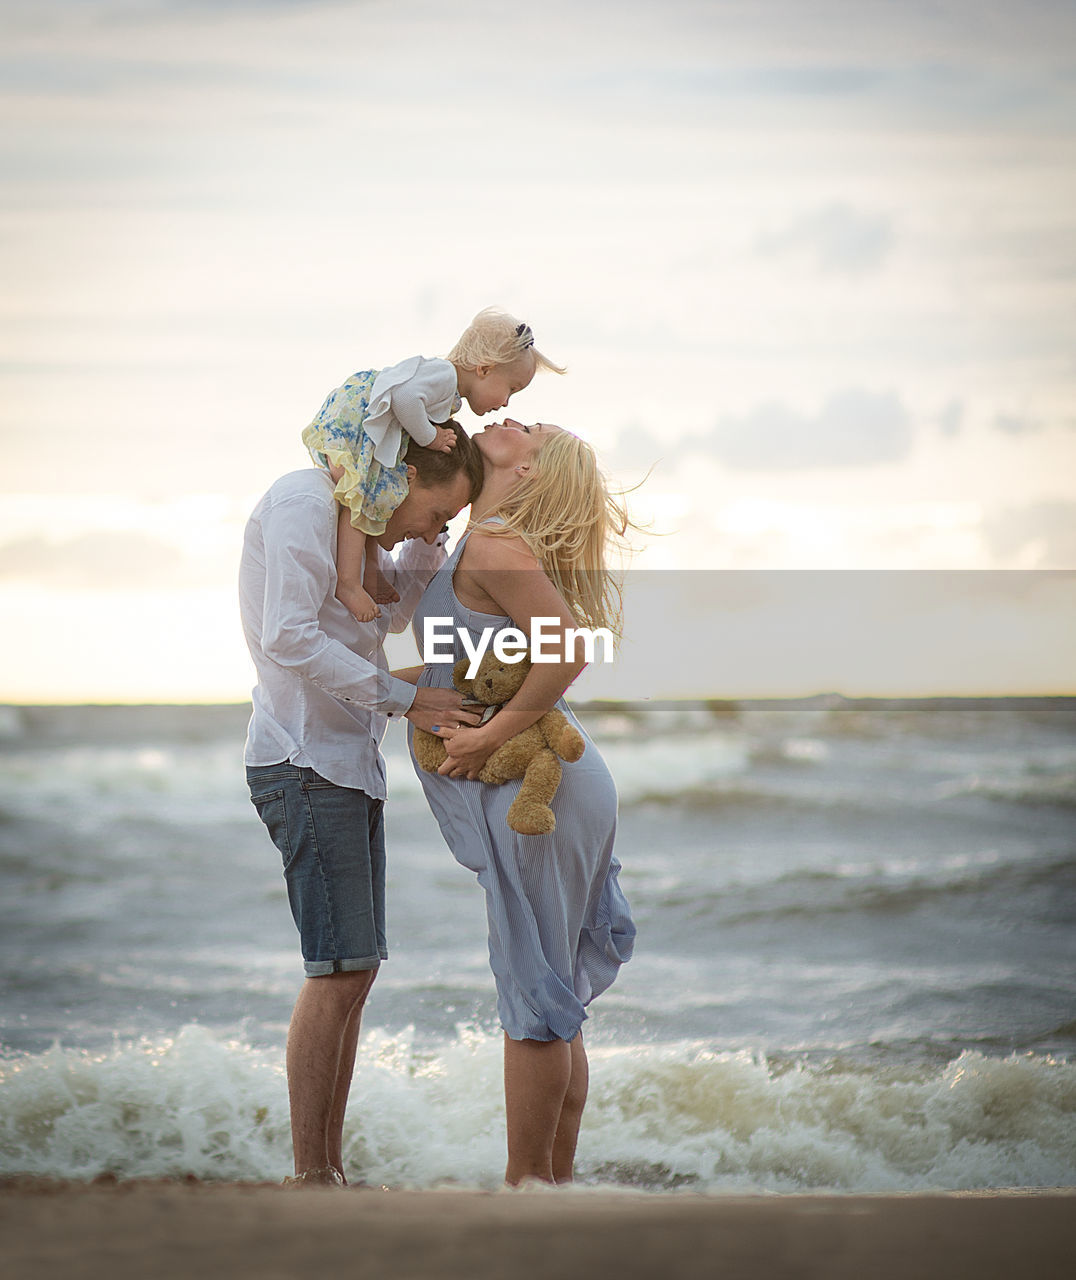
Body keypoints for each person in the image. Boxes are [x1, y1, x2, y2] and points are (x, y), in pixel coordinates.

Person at [239, 423, 485, 1187]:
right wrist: (405, 699)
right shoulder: (305, 503)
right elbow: (288, 636)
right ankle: (312, 1173)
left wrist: (431, 543)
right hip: (303, 757)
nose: (433, 531)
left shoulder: (368, 532)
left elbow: (400, 612)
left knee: (358, 967)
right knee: (337, 970)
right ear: (405, 474)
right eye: (435, 515)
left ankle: (327, 1168)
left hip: (348, 764)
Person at [401, 419, 636, 1186]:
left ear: (529, 468)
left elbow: (566, 649)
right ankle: (550, 1187)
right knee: (552, 990)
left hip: (542, 790)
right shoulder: (485, 542)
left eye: (527, 427)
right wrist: (354, 684)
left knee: (535, 994)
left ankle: (527, 1188)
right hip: (561, 785)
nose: (508, 418)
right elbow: (456, 665)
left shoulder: (496, 545)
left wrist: (487, 735)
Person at [302, 308, 564, 623]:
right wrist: (431, 439)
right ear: (484, 369)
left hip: (370, 430)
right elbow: (405, 399)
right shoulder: (443, 376)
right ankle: (348, 583)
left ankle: (369, 573)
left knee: (370, 503)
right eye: (511, 388)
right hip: (358, 423)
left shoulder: (448, 392)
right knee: (360, 500)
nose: (507, 403)